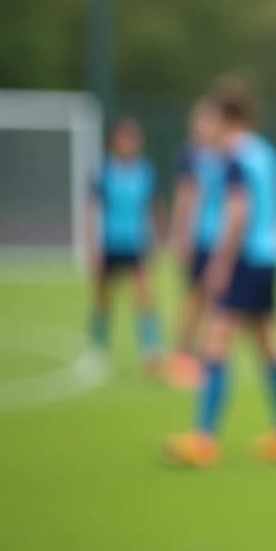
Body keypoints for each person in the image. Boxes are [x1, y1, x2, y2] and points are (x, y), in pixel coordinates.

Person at [164, 76, 276, 467]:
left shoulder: (233, 154)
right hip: (270, 257)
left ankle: (203, 440)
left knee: (214, 341)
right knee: (268, 344)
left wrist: (220, 262)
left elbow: (238, 210)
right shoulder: (265, 151)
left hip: (245, 259)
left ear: (226, 116)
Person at [86, 117, 163, 377]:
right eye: (123, 138)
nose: (128, 143)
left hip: (136, 243)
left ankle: (151, 350)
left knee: (144, 297)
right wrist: (92, 245)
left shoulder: (145, 171)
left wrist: (156, 239)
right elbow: (92, 209)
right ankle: (98, 349)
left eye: (132, 138)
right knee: (103, 300)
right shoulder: (103, 171)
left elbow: (151, 207)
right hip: (109, 242)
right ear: (114, 141)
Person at [165, 98, 226, 390]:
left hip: (223, 241)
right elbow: (184, 198)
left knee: (216, 303)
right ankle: (181, 355)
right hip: (199, 238)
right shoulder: (190, 156)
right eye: (202, 119)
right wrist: (179, 237)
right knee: (193, 298)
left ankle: (203, 359)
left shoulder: (227, 154)